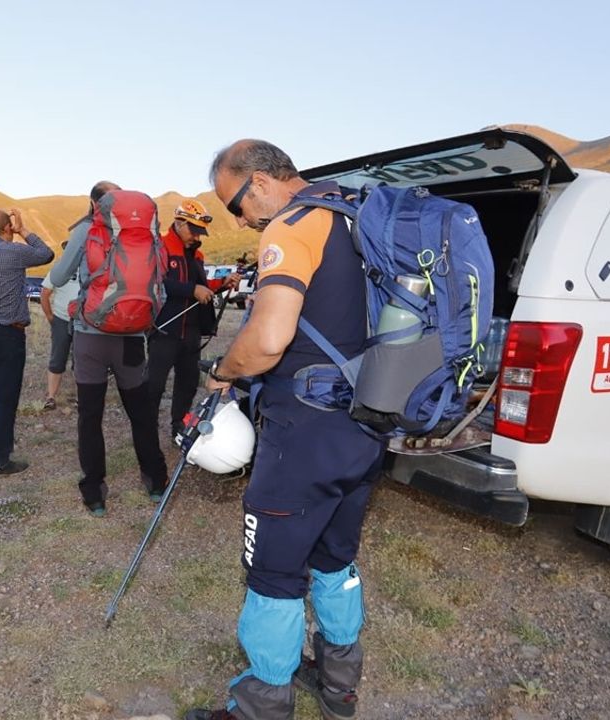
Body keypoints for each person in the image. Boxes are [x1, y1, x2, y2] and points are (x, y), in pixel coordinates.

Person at [186, 140, 385, 720]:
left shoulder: (292, 227)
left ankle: (262, 704)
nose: (240, 221)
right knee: (336, 558)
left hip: (303, 433)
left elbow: (270, 339)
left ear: (261, 181)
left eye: (236, 205)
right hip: (365, 425)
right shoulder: (357, 216)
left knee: (273, 573)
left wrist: (224, 372)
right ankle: (339, 685)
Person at [47, 181, 169, 516]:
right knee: (140, 412)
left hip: (91, 336)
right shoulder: (146, 233)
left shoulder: (86, 231)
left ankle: (95, 494)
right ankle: (155, 480)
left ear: (94, 204)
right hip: (132, 337)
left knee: (90, 416)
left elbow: (58, 277)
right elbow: (160, 285)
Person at [0, 208, 54, 475]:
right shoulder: (13, 252)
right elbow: (46, 254)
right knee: (5, 397)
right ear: (6, 228)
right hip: (8, 333)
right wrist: (23, 230)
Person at [146, 200, 236, 439]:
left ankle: (179, 426)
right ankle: (146, 429)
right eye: (193, 230)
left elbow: (202, 286)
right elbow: (156, 282)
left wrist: (221, 284)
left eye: (200, 232)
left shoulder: (197, 255)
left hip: (191, 332)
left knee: (188, 382)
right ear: (179, 223)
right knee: (154, 383)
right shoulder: (160, 247)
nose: (197, 236)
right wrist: (191, 290)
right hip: (165, 330)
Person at [39, 240, 79, 410]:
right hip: (62, 318)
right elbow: (45, 292)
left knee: (82, 360)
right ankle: (51, 397)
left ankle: (82, 397)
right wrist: (50, 316)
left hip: (83, 320)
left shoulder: (90, 268)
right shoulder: (59, 269)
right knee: (57, 358)